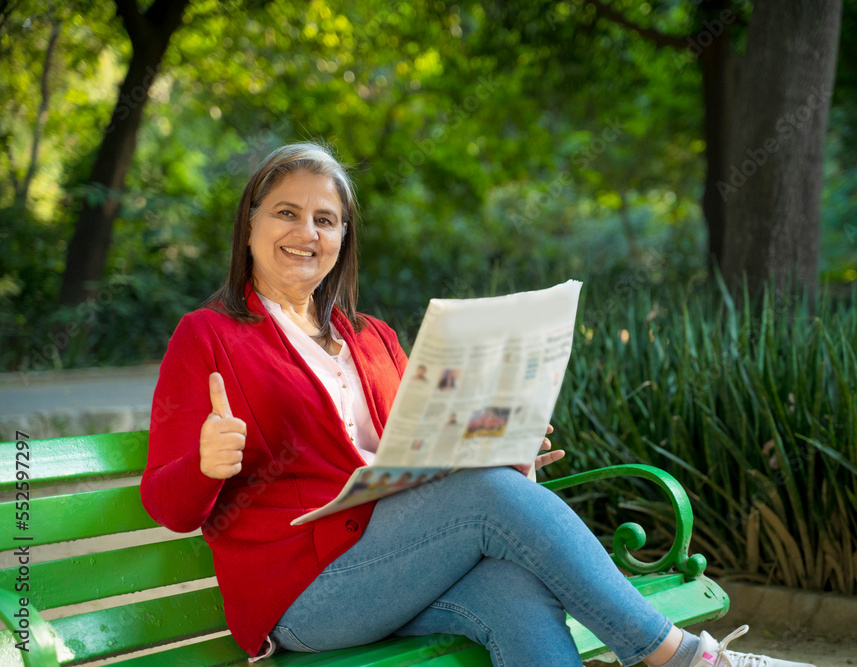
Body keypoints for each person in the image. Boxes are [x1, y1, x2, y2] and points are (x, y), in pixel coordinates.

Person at [140, 142, 815, 667]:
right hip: (301, 591)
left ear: (344, 237)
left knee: (515, 593)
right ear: (249, 224)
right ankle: (680, 655)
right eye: (286, 212)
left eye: (326, 218)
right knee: (488, 495)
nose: (307, 232)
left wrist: (497, 445)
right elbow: (168, 505)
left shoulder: (370, 337)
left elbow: (419, 456)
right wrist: (206, 461)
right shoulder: (210, 335)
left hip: (393, 563)